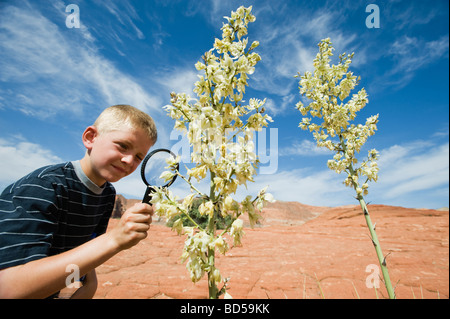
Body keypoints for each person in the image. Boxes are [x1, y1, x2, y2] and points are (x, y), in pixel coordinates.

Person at [0, 104, 157, 298]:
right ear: (90, 138)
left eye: (138, 157)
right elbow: (8, 288)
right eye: (123, 146)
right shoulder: (44, 186)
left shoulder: (107, 194)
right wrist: (114, 239)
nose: (129, 161)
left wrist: (89, 285)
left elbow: (84, 251)